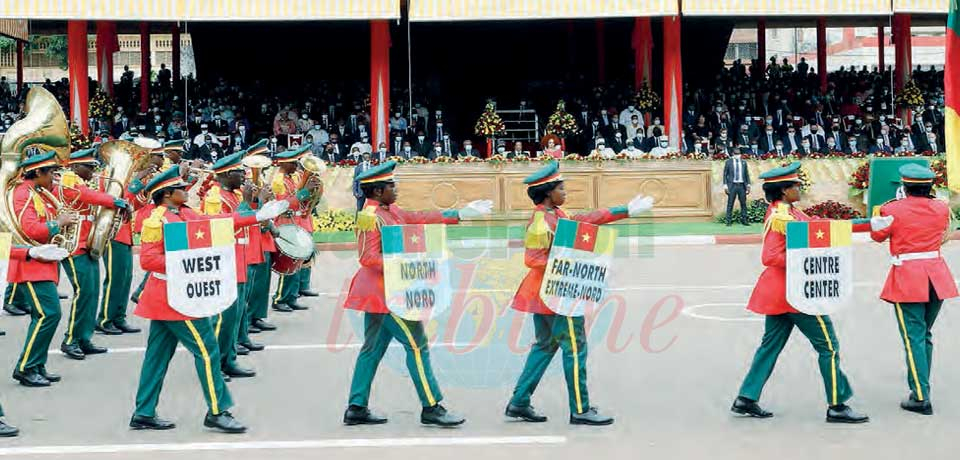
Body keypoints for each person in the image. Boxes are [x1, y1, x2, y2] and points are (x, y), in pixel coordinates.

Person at [129, 165, 287, 433]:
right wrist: (183, 260)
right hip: (172, 297)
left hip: (174, 296)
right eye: (180, 188)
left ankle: (144, 412)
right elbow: (148, 260)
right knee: (207, 350)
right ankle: (217, 410)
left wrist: (256, 216)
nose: (186, 190)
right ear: (167, 194)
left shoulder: (185, 213)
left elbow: (217, 224)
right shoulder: (157, 219)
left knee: (157, 357)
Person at [342, 160, 491, 427]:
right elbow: (367, 258)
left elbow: (418, 218)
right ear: (377, 191)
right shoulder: (371, 216)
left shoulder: (389, 210)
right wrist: (402, 264)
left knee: (372, 349)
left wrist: (460, 213)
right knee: (417, 345)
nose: (395, 189)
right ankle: (431, 406)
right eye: (391, 185)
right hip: (386, 294)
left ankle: (356, 406)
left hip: (384, 293)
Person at [505, 162, 653, 426]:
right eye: (562, 188)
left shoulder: (555, 214)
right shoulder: (541, 222)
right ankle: (580, 409)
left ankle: (519, 402)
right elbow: (532, 258)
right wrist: (567, 262)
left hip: (547, 293)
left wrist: (625, 210)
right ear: (548, 192)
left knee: (545, 346)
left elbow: (585, 220)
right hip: (557, 293)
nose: (566, 192)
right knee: (574, 347)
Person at [731, 162, 870, 424]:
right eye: (795, 185)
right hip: (796, 293)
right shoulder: (781, 217)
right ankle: (837, 405)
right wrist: (804, 257)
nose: (800, 187)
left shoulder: (787, 211)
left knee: (769, 346)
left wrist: (865, 223)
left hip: (780, 293)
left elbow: (815, 228)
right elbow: (770, 256)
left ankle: (746, 398)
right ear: (783, 191)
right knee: (829, 346)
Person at [870, 164, 958, 415]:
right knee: (924, 335)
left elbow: (877, 235)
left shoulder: (892, 208)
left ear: (904, 186)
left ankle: (920, 396)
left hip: (908, 276)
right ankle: (921, 386)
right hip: (936, 275)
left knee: (914, 338)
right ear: (930, 186)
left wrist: (883, 212)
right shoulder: (941, 208)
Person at [10, 151, 77, 387]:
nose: (54, 178)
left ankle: (37, 364)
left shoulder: (37, 193)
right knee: (48, 314)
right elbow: (30, 229)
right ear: (37, 172)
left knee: (47, 314)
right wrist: (58, 224)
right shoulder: (23, 194)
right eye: (51, 173)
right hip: (30, 263)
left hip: (42, 262)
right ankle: (26, 366)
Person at [57, 149, 130, 360]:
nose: (93, 171)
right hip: (72, 245)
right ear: (76, 166)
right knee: (84, 292)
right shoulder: (68, 179)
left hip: (87, 243)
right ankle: (70, 339)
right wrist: (112, 200)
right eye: (89, 167)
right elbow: (83, 195)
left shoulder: (82, 180)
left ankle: (84, 337)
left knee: (92, 292)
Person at [270, 146, 321, 312]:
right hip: (285, 222)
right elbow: (284, 203)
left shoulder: (291, 177)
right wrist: (304, 192)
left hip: (295, 221)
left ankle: (291, 297)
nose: (297, 166)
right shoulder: (279, 181)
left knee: (297, 261)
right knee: (288, 262)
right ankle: (280, 299)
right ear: (285, 163)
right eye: (294, 162)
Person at [723, 149, 751, 226]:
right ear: (733, 154)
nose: (737, 155)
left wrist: (748, 185)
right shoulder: (728, 162)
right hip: (732, 185)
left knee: (743, 204)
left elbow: (746, 175)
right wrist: (725, 186)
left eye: (739, 154)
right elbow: (725, 174)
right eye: (736, 154)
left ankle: (744, 220)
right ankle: (728, 221)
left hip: (742, 185)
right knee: (730, 203)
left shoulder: (744, 162)